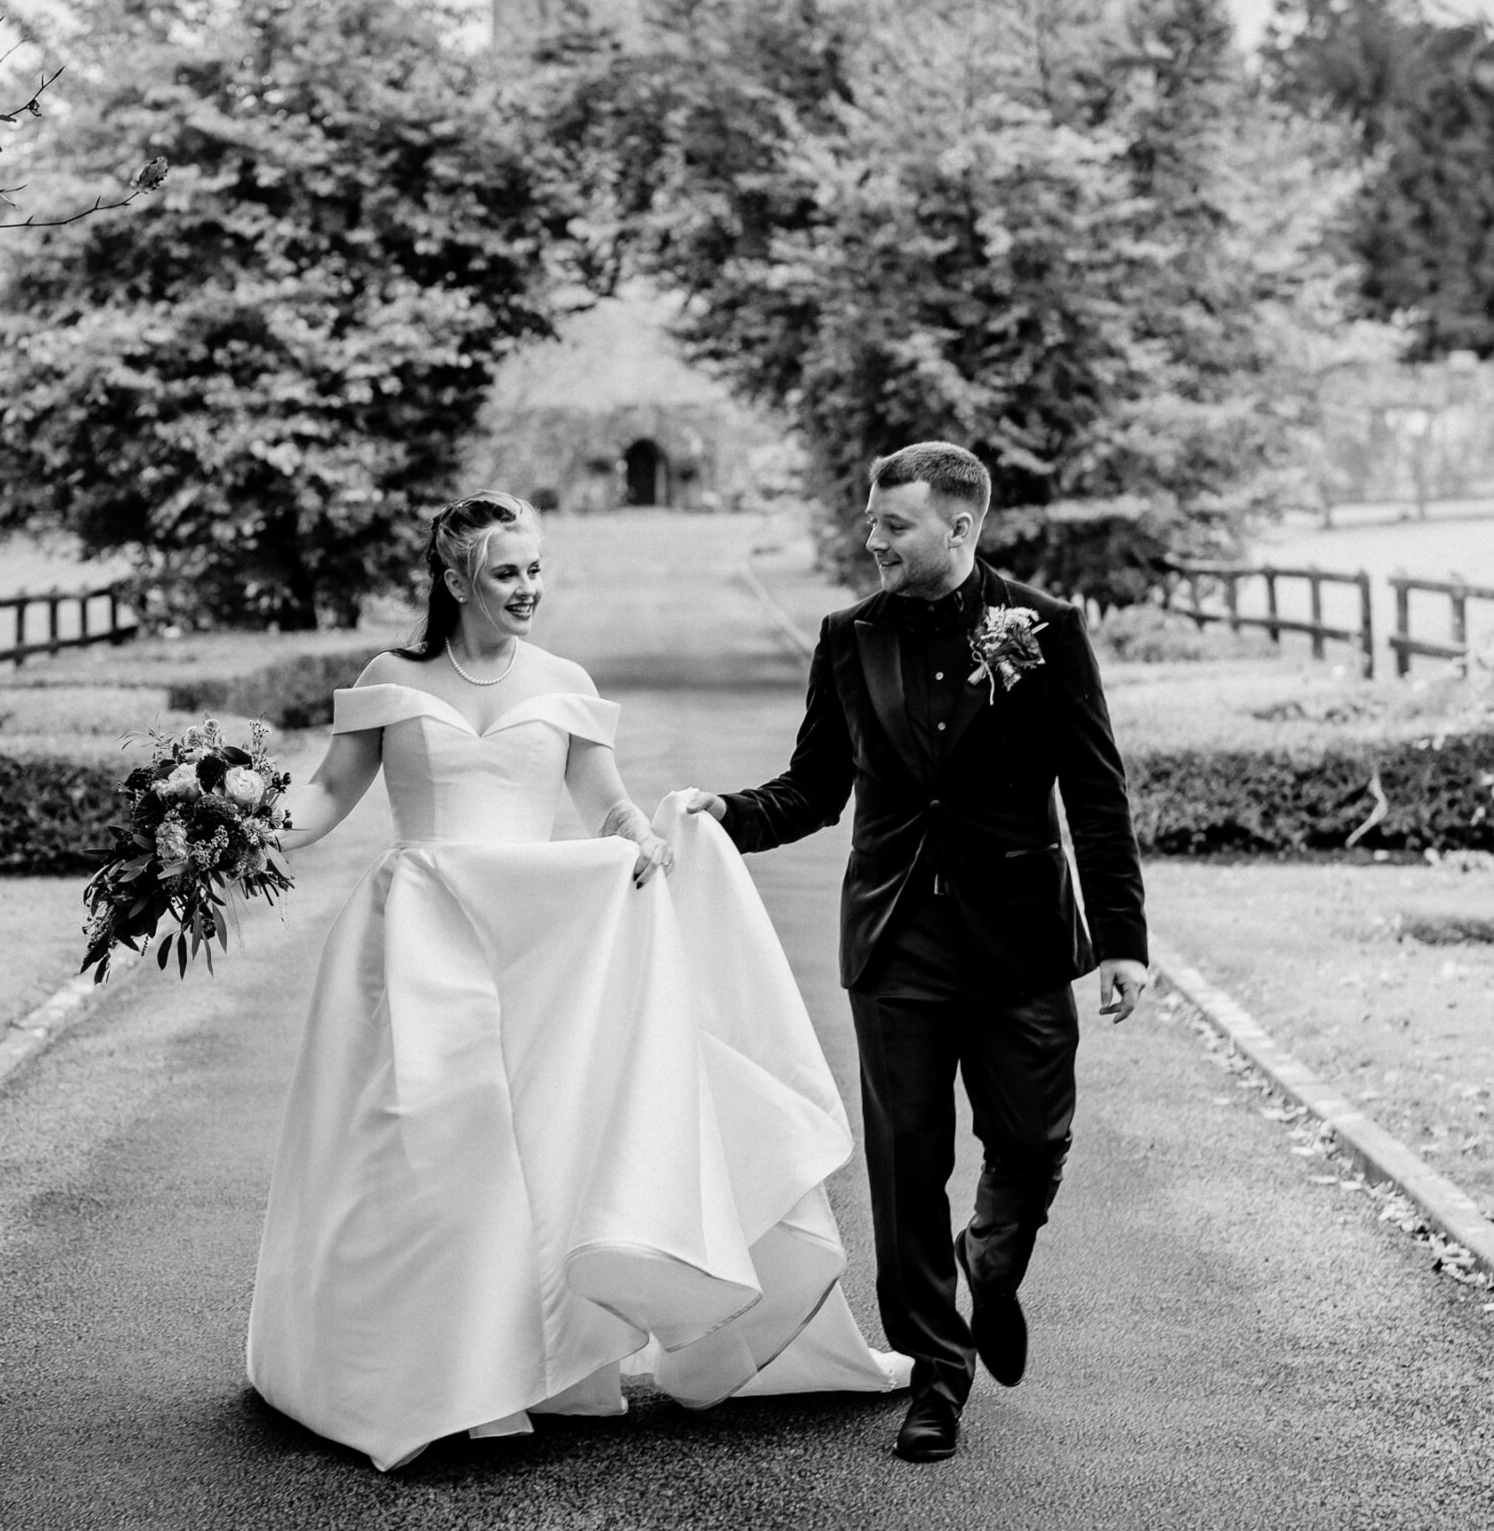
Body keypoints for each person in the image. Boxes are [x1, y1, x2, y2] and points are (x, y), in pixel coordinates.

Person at [247, 491, 906, 1471]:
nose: (528, 588)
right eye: (508, 572)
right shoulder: (395, 676)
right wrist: (243, 821)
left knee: (532, 1149)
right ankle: (438, 1376)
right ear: (455, 578)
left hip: (537, 943)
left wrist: (642, 836)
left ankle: (519, 1367)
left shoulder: (562, 680)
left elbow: (606, 802)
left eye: (536, 569)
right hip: (419, 939)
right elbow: (329, 794)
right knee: (429, 1148)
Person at [685, 443, 1149, 1467]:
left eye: (892, 523)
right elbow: (813, 787)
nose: (872, 537)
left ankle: (991, 1255)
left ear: (959, 526)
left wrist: (1123, 941)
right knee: (906, 1168)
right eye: (870, 518)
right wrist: (724, 814)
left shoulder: (1045, 631)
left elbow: (1095, 790)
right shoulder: (848, 637)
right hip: (894, 941)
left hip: (1021, 938)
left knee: (1029, 1144)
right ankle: (937, 1374)